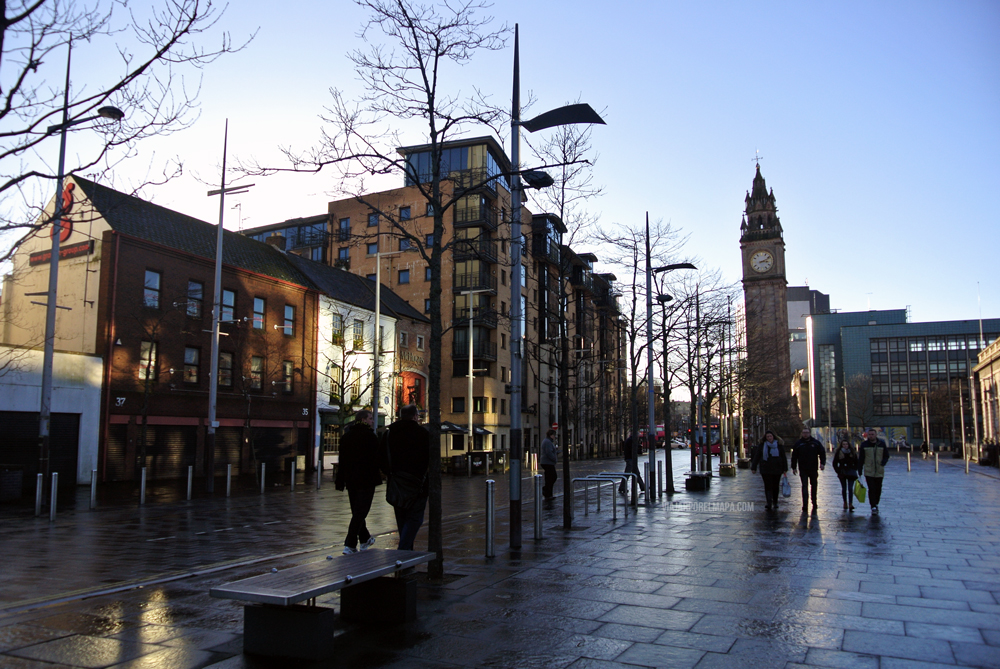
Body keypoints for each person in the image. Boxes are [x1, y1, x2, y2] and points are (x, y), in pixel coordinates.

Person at [379, 404, 429, 550]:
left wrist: (391, 473)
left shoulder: (389, 433)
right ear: (415, 416)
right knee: (415, 518)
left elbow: (381, 457)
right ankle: (404, 550)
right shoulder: (422, 433)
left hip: (396, 482)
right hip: (418, 483)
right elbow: (429, 458)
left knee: (401, 519)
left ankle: (406, 554)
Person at [335, 409, 383, 554]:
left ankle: (365, 539)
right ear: (363, 420)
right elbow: (377, 458)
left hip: (351, 480)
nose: (372, 421)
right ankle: (350, 543)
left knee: (357, 511)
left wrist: (340, 479)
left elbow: (342, 460)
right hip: (367, 479)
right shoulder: (370, 437)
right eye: (370, 418)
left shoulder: (347, 437)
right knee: (361, 512)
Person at [790, 427, 826, 514]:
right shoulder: (798, 444)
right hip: (803, 468)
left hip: (813, 468)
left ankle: (814, 502)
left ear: (809, 433)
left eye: (807, 432)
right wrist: (794, 467)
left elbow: (822, 452)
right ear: (802, 434)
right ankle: (805, 504)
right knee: (804, 486)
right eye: (804, 432)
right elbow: (794, 456)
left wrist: (822, 463)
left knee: (814, 486)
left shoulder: (815, 443)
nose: (805, 434)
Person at [750, 430, 787, 511]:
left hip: (777, 468)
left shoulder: (779, 445)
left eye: (770, 436)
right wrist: (754, 467)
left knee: (775, 486)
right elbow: (757, 456)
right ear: (765, 438)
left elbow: (783, 457)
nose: (769, 438)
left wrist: (785, 468)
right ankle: (769, 502)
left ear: (773, 436)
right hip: (766, 468)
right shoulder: (762, 446)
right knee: (767, 486)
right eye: (768, 437)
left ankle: (775, 501)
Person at [858, 428, 890, 515]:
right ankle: (873, 506)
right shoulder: (864, 445)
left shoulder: (881, 444)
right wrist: (860, 470)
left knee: (878, 488)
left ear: (876, 435)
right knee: (871, 488)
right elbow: (861, 459)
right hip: (869, 471)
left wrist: (883, 462)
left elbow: (886, 455)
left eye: (872, 434)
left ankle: (876, 502)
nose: (871, 436)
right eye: (870, 434)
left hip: (879, 470)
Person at [832, 439, 859, 511]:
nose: (845, 446)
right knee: (844, 488)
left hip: (851, 472)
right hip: (842, 472)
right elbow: (834, 463)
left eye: (846, 444)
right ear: (841, 445)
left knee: (850, 488)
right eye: (843, 444)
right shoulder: (839, 452)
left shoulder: (852, 452)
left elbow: (857, 461)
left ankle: (850, 503)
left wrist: (855, 468)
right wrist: (838, 470)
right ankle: (845, 502)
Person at [540, 429, 558, 499]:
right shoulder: (547, 442)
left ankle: (548, 493)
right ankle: (546, 490)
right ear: (551, 435)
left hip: (547, 462)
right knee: (552, 477)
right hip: (547, 462)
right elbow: (549, 452)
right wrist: (554, 458)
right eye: (554, 435)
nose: (554, 437)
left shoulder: (548, 441)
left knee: (549, 478)